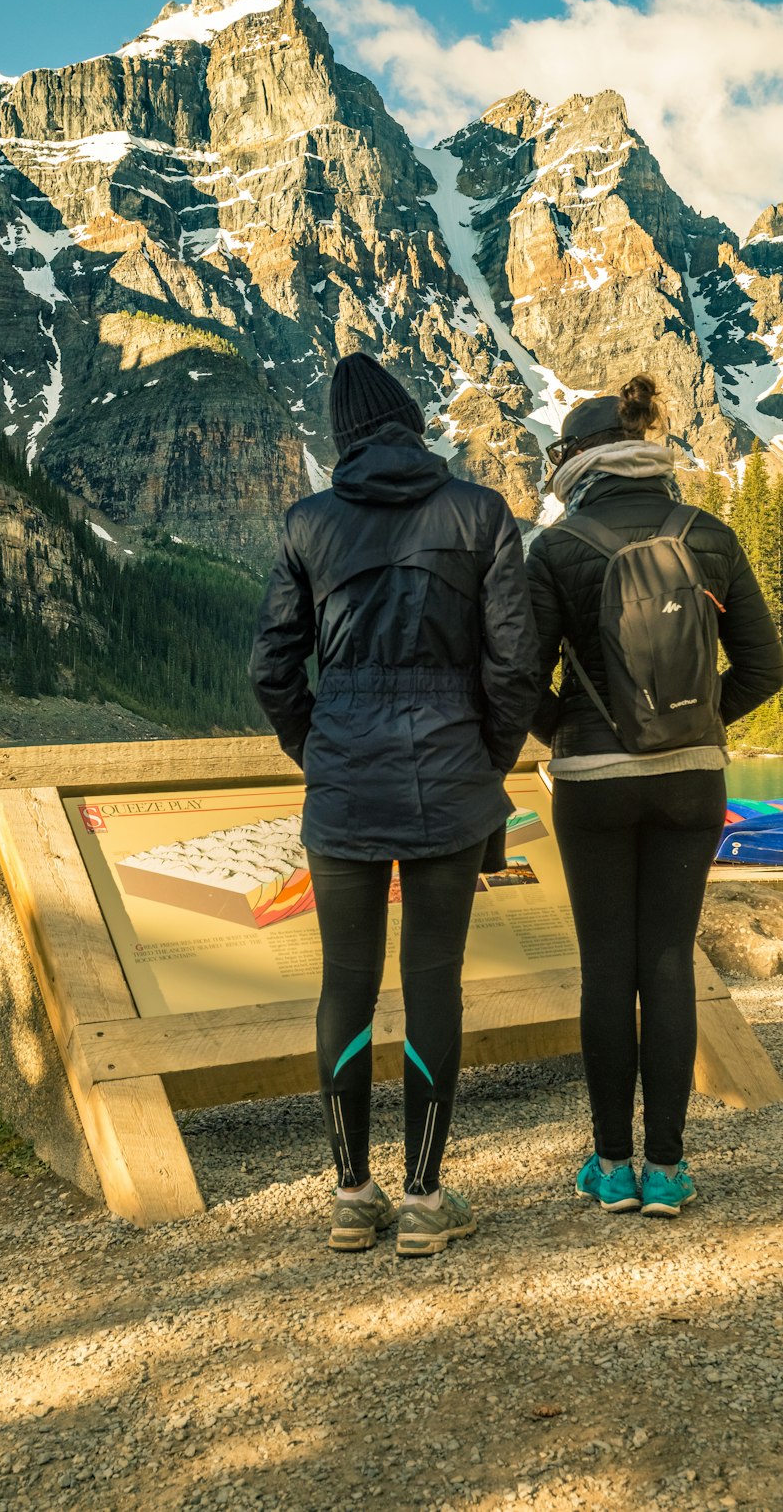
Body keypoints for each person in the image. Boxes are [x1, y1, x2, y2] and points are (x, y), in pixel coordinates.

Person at [249, 352, 538, 1255]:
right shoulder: (481, 512)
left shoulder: (308, 523)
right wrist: (482, 761)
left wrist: (320, 745)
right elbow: (517, 667)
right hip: (451, 779)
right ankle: (422, 1196)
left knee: (345, 983)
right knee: (432, 982)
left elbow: (270, 670)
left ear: (343, 439)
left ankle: (350, 1193)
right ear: (412, 424)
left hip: (342, 783)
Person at [525, 375, 783, 1218]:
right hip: (691, 780)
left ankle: (610, 1166)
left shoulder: (559, 550)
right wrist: (700, 722)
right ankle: (668, 1169)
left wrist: (568, 728)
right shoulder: (708, 537)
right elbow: (765, 670)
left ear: (581, 463)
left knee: (608, 965)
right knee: (670, 958)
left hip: (593, 781)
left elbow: (518, 678)